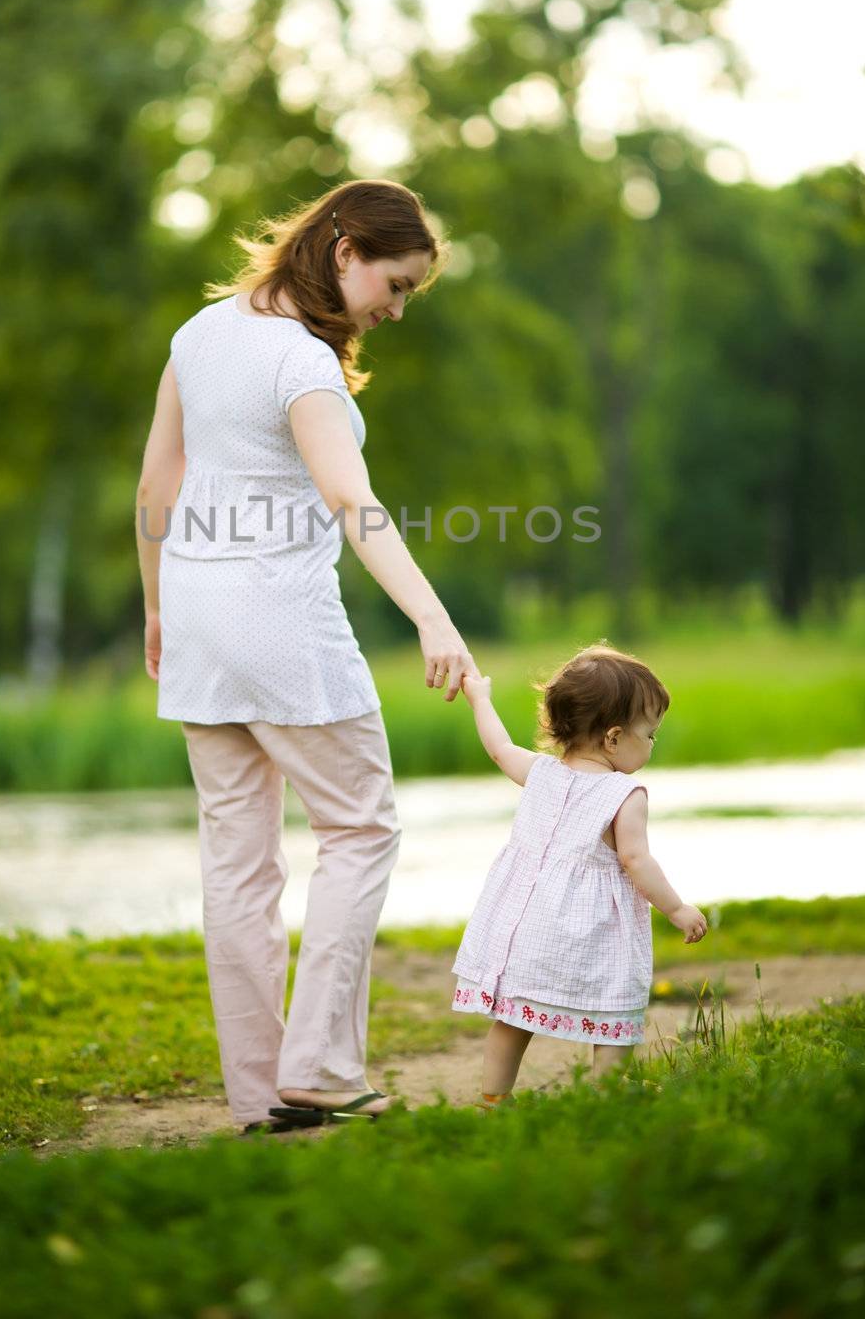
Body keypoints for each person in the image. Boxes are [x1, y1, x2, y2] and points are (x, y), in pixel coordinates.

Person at [135, 178, 481, 1134]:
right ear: (343, 250)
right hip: (282, 624)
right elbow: (353, 504)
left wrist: (160, 606)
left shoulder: (198, 334)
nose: (398, 307)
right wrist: (433, 618)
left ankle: (259, 1095)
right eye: (396, 282)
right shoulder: (302, 367)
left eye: (411, 292)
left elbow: (157, 482)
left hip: (202, 624)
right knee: (360, 829)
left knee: (237, 868)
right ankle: (321, 1070)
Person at [451, 643, 707, 1106]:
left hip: (527, 925)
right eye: (649, 734)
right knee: (615, 1006)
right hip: (592, 933)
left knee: (512, 1017)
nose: (651, 744)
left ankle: (494, 1098)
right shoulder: (624, 792)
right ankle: (607, 1090)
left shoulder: (540, 772)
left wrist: (480, 699)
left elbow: (498, 748)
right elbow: (636, 860)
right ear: (613, 738)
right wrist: (676, 907)